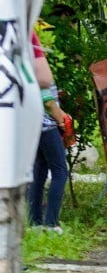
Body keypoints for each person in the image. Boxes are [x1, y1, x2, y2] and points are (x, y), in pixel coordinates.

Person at [29, 31, 69, 233]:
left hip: (33, 125)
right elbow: (47, 98)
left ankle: (34, 221)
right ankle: (51, 223)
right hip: (47, 125)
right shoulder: (37, 66)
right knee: (61, 170)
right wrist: (62, 120)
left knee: (39, 171)